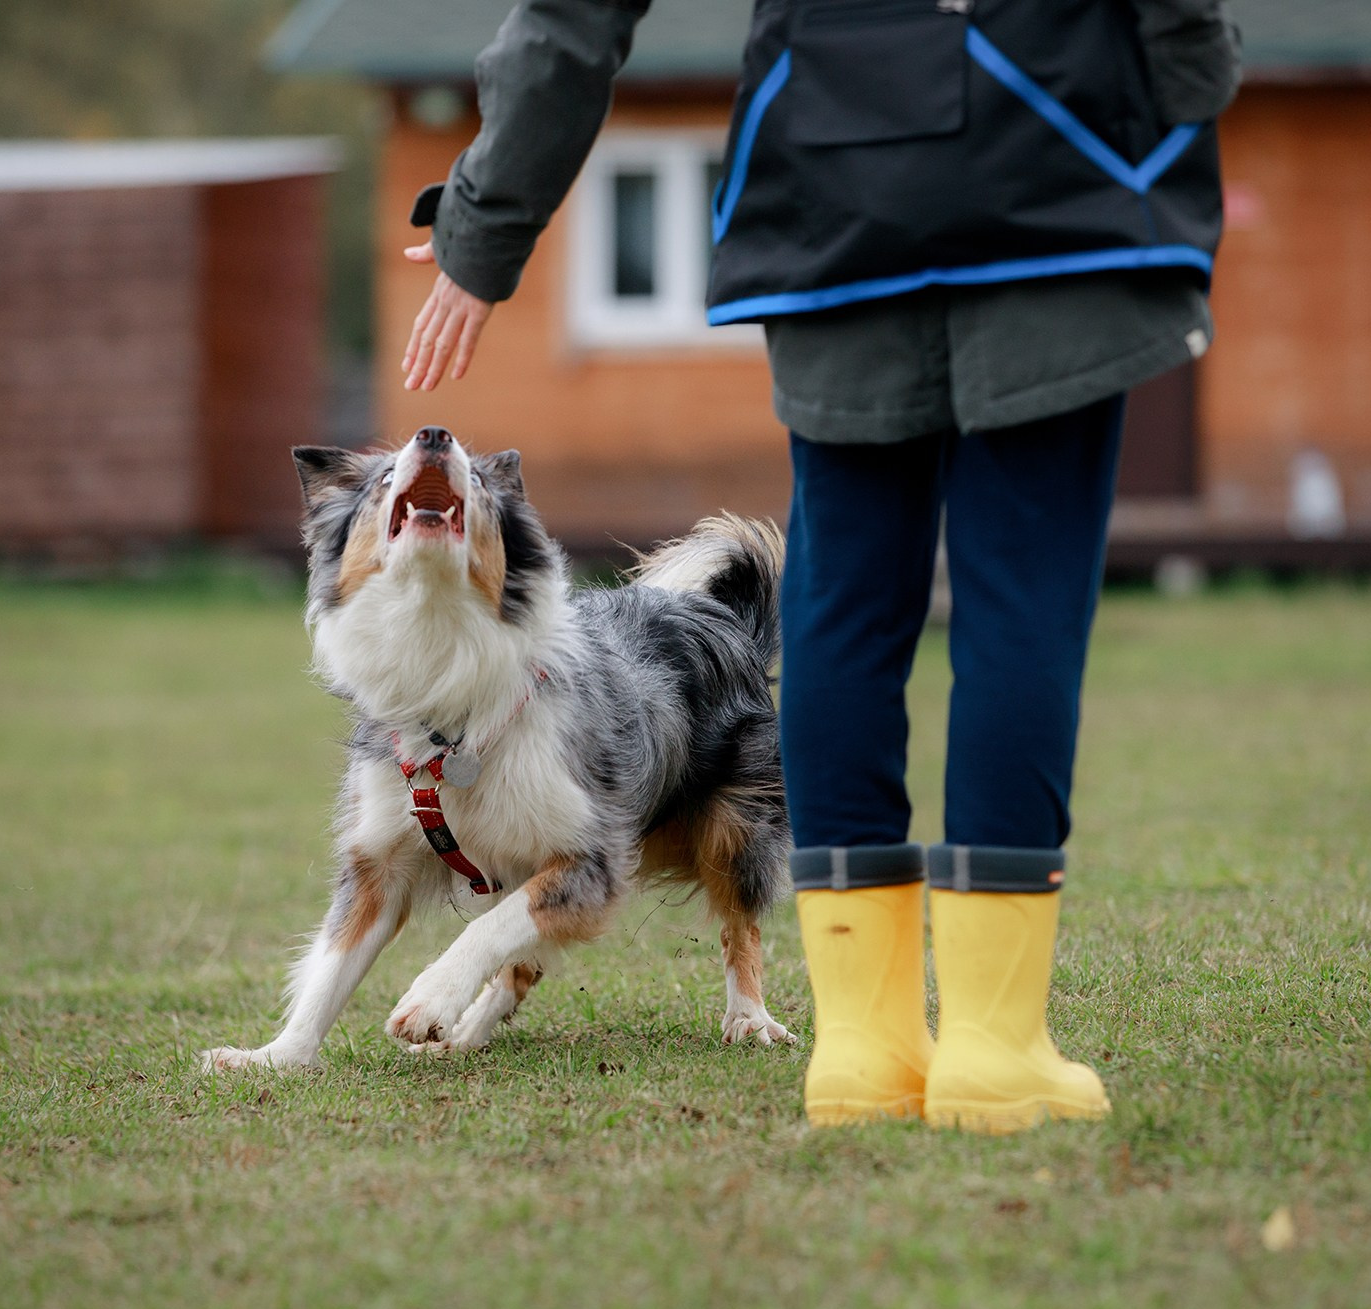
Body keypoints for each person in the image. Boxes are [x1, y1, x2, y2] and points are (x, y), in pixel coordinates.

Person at [401, 0, 1239, 1134]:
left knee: (843, 605)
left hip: (835, 169)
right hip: (1060, 155)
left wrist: (482, 224)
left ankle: (862, 1047)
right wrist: (1184, 84)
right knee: (1018, 607)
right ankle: (992, 1047)